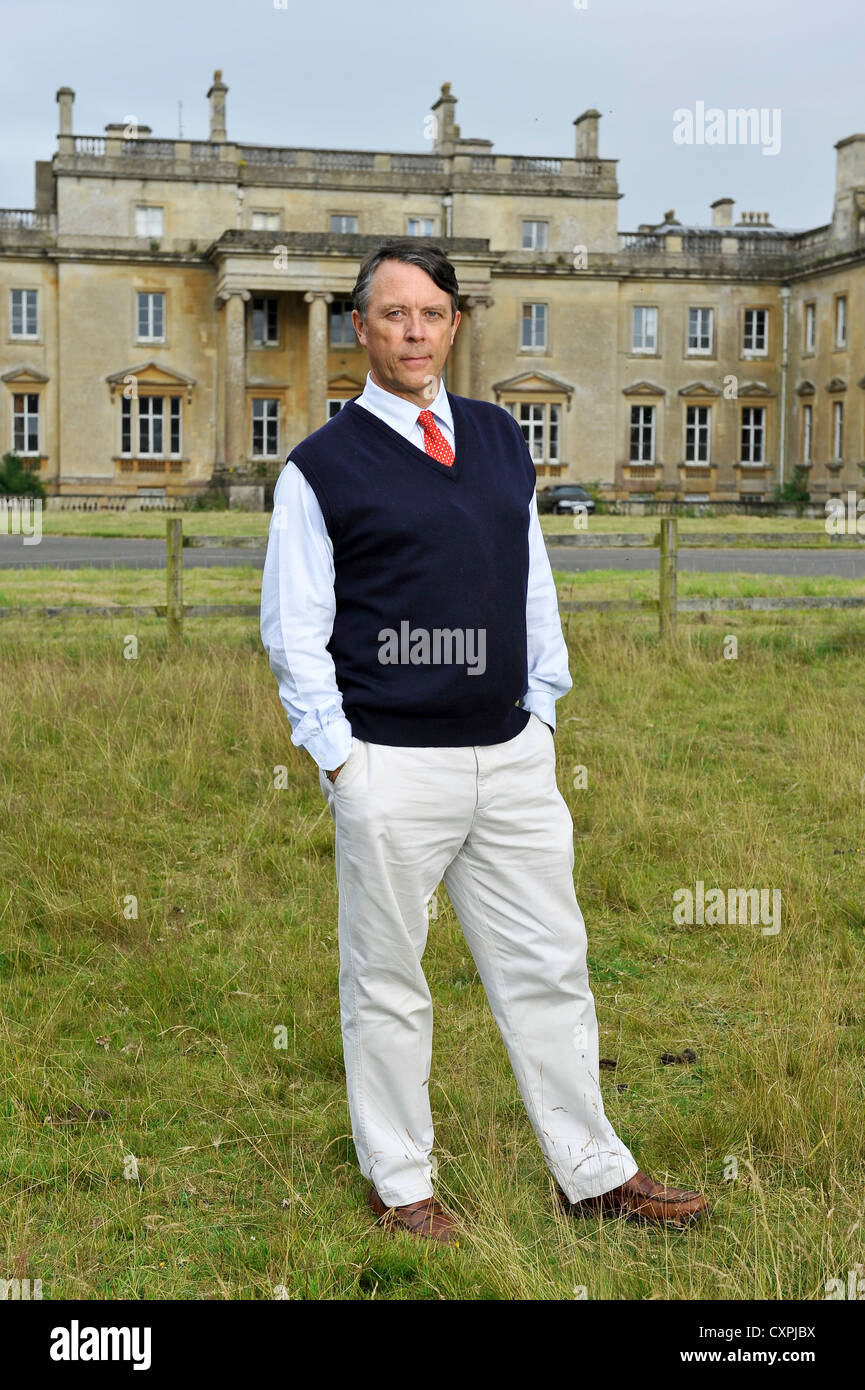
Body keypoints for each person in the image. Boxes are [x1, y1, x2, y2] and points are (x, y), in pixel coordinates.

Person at [260, 239, 710, 1243]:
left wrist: (541, 708)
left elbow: (531, 584)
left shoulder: (504, 439)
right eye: (391, 315)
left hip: (509, 756)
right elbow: (294, 632)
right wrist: (343, 762)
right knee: (387, 979)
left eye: (430, 313)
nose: (413, 332)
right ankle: (401, 1182)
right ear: (359, 327)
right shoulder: (321, 469)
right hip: (390, 764)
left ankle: (592, 1171)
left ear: (454, 324)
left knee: (551, 966)